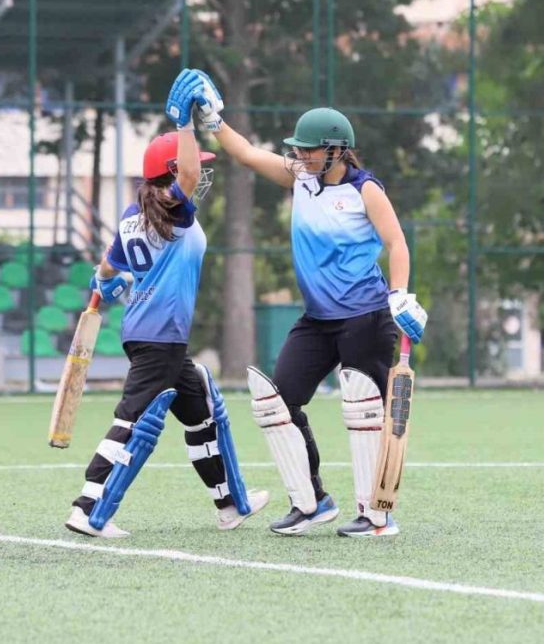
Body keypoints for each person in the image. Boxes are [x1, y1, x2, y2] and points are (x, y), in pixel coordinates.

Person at [175, 69, 428, 538]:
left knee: (364, 411)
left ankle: (376, 515)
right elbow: (247, 154)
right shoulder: (301, 178)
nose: (300, 155)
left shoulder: (365, 190)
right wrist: (212, 119)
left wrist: (400, 294)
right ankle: (312, 503)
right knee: (279, 401)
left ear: (336, 150)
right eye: (298, 149)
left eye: (309, 149)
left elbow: (397, 243)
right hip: (318, 319)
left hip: (366, 317)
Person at [64, 74, 269, 538]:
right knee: (133, 421)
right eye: (192, 165)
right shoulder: (172, 206)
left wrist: (106, 282)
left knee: (202, 410)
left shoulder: (134, 213)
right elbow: (190, 176)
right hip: (158, 338)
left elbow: (109, 263)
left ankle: (230, 504)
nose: (201, 173)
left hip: (154, 335)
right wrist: (185, 125)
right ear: (172, 170)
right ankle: (88, 508)